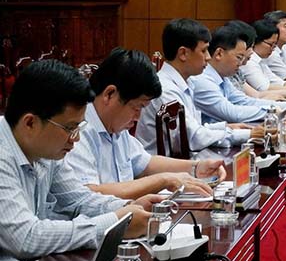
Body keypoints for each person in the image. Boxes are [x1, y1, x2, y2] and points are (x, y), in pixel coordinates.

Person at [0, 60, 156, 261]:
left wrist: (128, 208)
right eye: (70, 128)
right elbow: (26, 238)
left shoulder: (46, 150)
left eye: (79, 127)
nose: (76, 139)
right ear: (30, 123)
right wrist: (114, 221)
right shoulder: (2, 155)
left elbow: (78, 199)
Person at [65, 48, 226, 200]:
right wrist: (163, 180)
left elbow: (145, 163)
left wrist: (196, 167)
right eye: (136, 107)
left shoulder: (115, 127)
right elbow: (89, 193)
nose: (138, 117)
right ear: (109, 94)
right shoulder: (77, 130)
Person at [135, 19, 253, 154]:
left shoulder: (187, 82)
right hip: (165, 168)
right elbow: (194, 138)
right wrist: (247, 135)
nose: (208, 57)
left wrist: (226, 127)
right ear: (183, 53)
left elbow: (194, 128)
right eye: (204, 51)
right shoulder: (165, 90)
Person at [191, 25, 286, 125]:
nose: (241, 64)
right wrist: (273, 112)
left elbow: (245, 101)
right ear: (219, 54)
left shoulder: (222, 77)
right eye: (239, 57)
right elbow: (231, 113)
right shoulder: (202, 79)